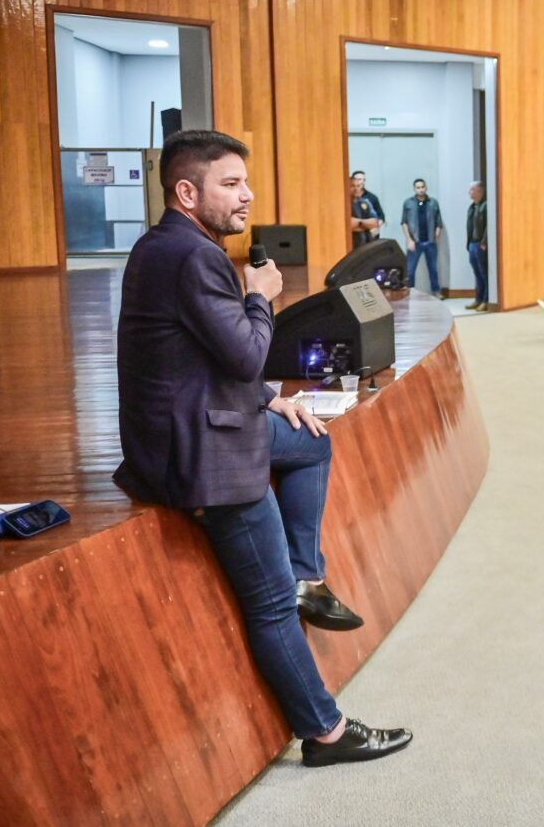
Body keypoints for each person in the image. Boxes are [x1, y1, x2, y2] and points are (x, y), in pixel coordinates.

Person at [115, 131, 410, 767]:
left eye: (245, 182)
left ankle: (309, 573)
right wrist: (260, 295)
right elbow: (247, 348)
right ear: (187, 191)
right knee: (271, 605)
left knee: (309, 439)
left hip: (190, 423)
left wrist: (269, 399)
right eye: (231, 184)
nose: (247, 195)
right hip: (200, 452)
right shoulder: (194, 258)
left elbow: (200, 357)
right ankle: (326, 732)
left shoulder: (162, 246)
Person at [401, 178, 446, 298]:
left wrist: (437, 236)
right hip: (415, 242)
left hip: (430, 242)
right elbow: (404, 222)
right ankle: (410, 292)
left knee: (433, 269)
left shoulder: (433, 203)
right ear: (414, 189)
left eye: (422, 187)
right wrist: (409, 240)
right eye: (418, 187)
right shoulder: (408, 203)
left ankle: (436, 291)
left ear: (426, 188)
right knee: (410, 270)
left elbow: (438, 222)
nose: (420, 190)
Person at [348, 175, 380, 249]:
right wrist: (366, 225)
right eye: (352, 186)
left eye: (358, 186)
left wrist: (359, 223)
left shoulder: (364, 203)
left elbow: (375, 223)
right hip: (352, 246)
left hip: (366, 245)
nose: (356, 189)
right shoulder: (343, 205)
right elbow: (349, 225)